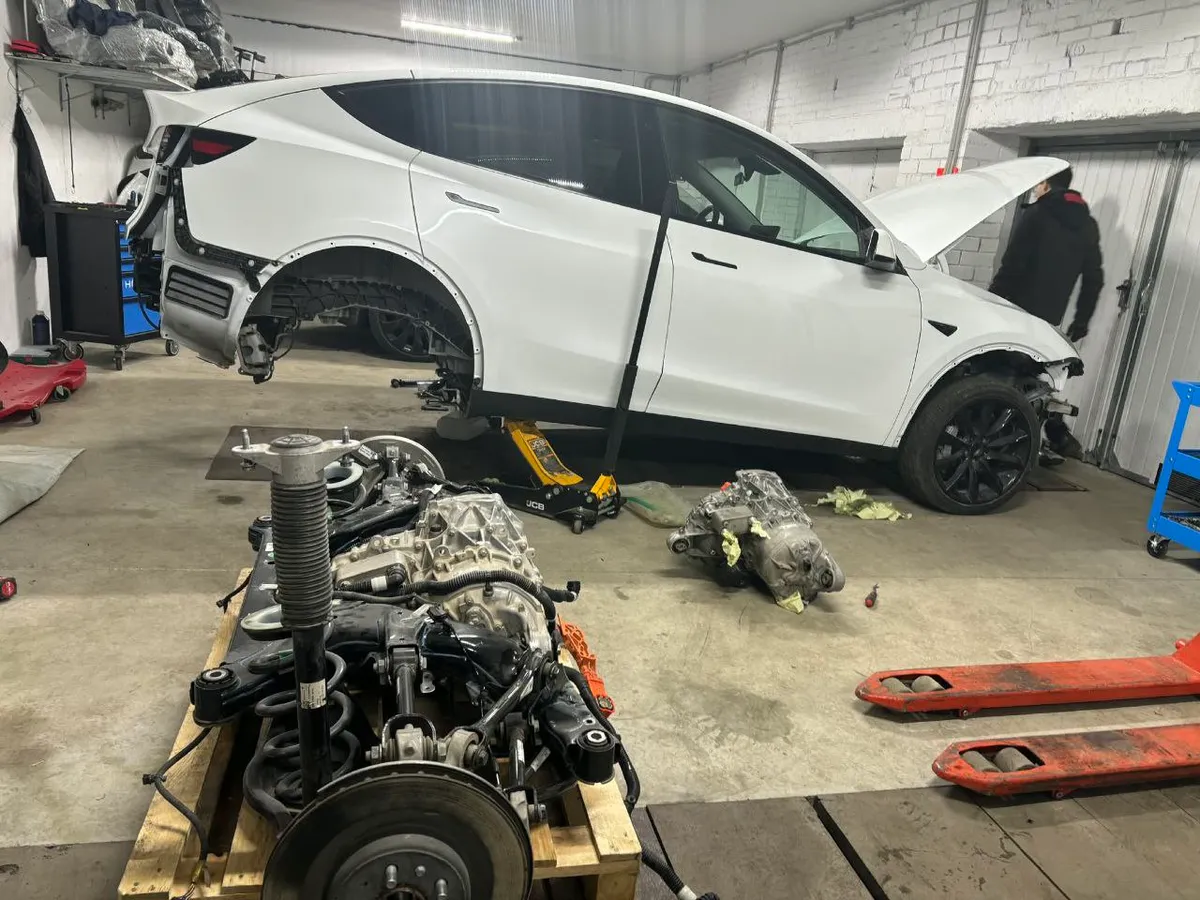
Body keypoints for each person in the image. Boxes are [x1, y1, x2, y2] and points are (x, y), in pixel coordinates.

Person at [989, 167, 1104, 458]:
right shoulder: (1088, 225)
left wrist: (990, 301)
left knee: (995, 374)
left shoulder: (1038, 215)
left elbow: (1012, 264)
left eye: (1037, 183)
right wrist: (1082, 319)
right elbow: (1094, 278)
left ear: (1044, 184)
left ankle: (997, 441)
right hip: (1048, 317)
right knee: (1031, 374)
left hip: (1015, 309)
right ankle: (1050, 433)